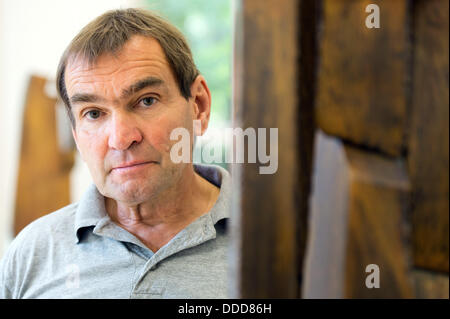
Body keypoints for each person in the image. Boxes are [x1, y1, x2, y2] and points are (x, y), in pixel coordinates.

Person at [0, 8, 230, 299]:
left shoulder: (278, 240)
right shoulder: (31, 254)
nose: (121, 139)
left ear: (199, 105)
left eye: (146, 101)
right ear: (75, 133)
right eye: (93, 113)